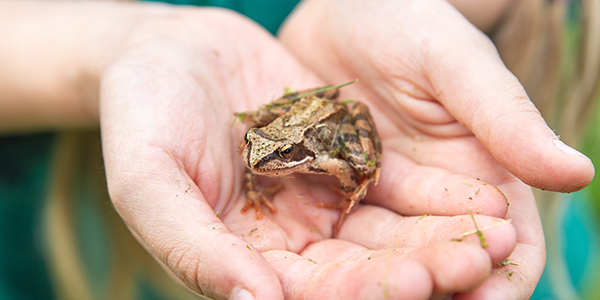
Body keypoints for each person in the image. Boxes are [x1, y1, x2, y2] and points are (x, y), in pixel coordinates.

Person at [0, 0, 596, 299]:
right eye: (257, 152)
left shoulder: (323, 149)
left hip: (350, 126)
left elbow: (349, 145)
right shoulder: (263, 150)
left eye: (272, 158)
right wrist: (116, 44)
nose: (260, 165)